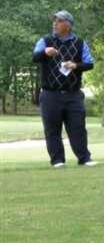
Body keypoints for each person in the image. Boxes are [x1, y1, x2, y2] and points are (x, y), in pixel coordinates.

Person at [32, 11, 98, 168]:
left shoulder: (79, 43)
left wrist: (76, 65)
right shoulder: (46, 41)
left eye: (59, 21)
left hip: (73, 94)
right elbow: (35, 57)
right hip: (50, 94)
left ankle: (84, 158)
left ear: (68, 26)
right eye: (54, 21)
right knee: (52, 129)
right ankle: (57, 160)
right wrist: (45, 52)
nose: (55, 24)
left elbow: (89, 63)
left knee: (78, 128)